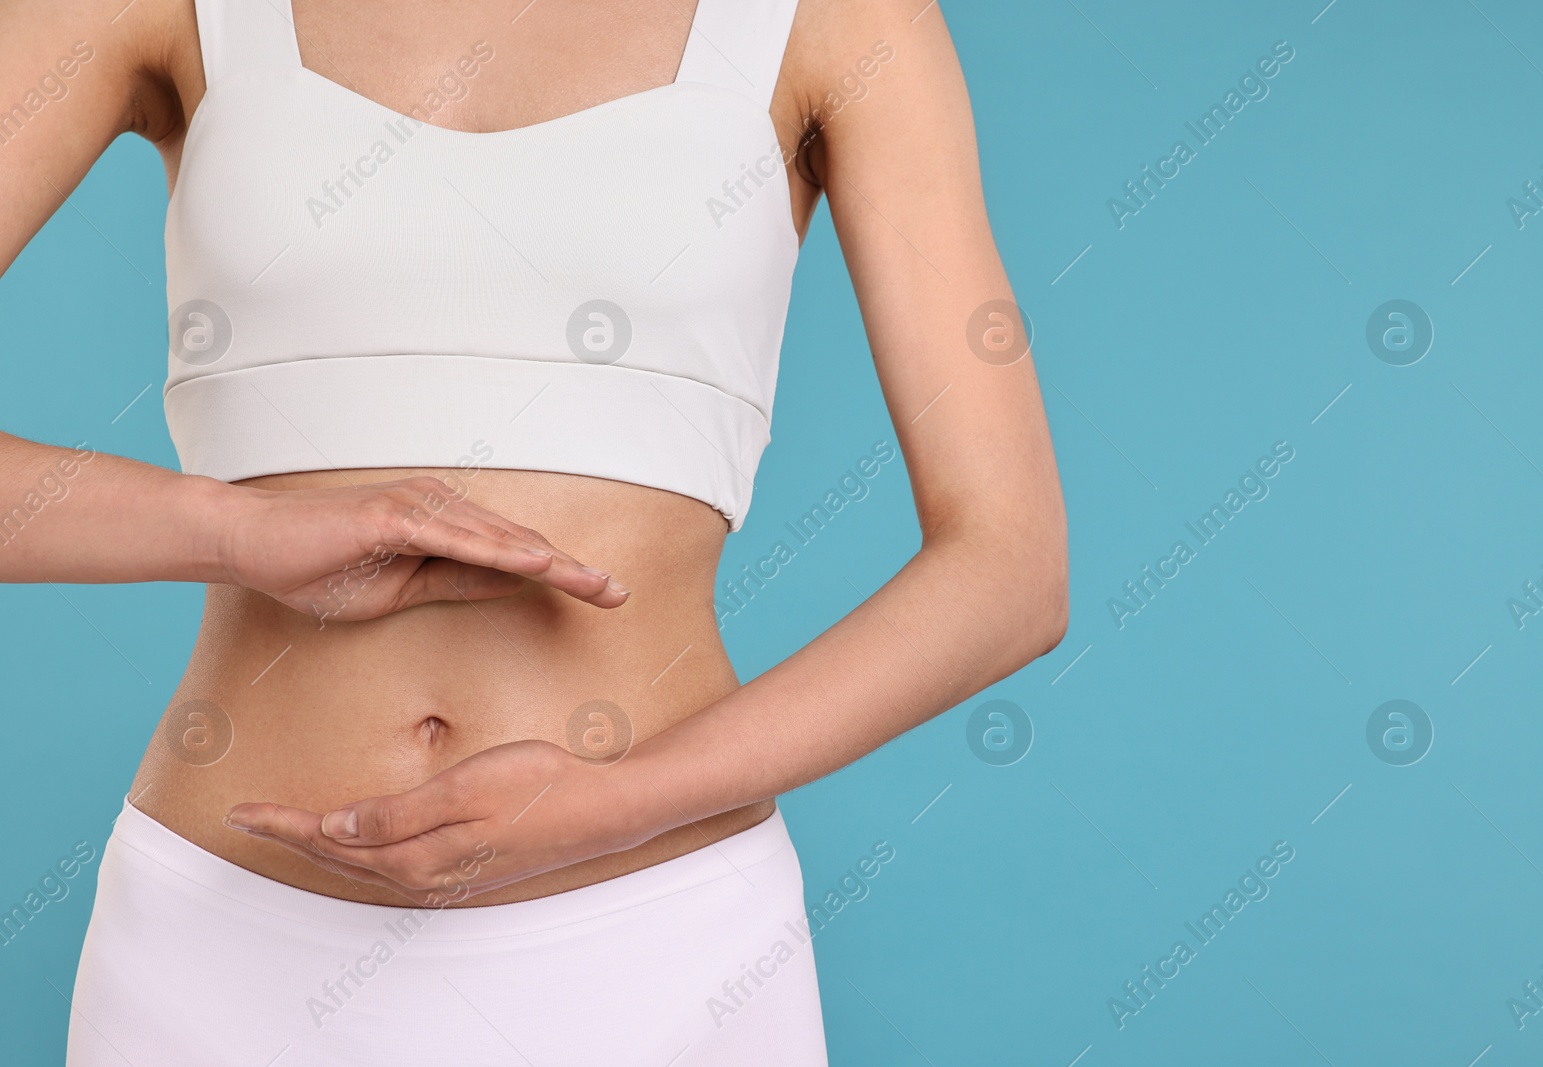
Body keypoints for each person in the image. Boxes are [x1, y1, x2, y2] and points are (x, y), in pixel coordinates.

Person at [0, 0, 1067, 1062]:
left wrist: (619, 801)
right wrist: (233, 528)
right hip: (223, 952)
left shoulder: (838, 19)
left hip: (658, 948)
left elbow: (1008, 562)